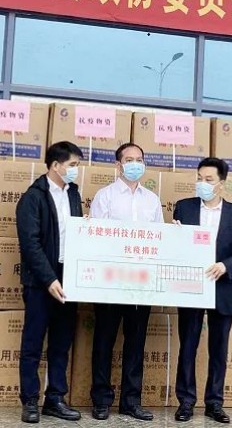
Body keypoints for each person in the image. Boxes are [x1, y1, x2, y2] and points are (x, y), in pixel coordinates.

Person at [172, 157, 232, 423]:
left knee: (219, 348)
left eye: (208, 180)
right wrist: (173, 235)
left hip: (223, 286)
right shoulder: (183, 208)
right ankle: (186, 402)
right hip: (191, 285)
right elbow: (174, 247)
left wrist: (226, 265)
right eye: (199, 178)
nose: (203, 184)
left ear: (222, 183)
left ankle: (214, 403)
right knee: (188, 345)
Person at [89, 143, 162, 422]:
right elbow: (95, 236)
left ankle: (131, 401)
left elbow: (159, 240)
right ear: (118, 165)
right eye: (129, 160)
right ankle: (101, 400)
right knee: (103, 342)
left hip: (141, 283)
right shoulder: (105, 196)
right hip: (110, 280)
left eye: (139, 159)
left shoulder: (152, 200)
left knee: (136, 343)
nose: (135, 164)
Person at [16, 141, 85, 424]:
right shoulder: (33, 197)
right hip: (40, 281)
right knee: (33, 342)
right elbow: (30, 244)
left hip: (69, 276)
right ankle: (30, 401)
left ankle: (55, 398)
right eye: (72, 165)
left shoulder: (73, 194)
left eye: (77, 165)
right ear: (55, 165)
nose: (76, 170)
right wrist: (49, 279)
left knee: (61, 342)